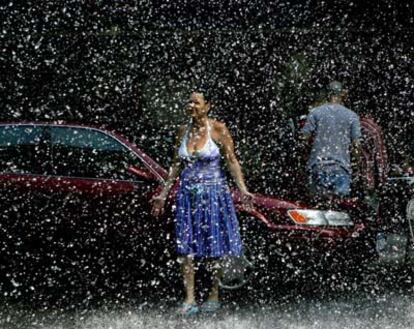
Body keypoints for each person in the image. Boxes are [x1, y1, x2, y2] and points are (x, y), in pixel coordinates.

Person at [151, 90, 253, 316]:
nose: (191, 105)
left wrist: (243, 189)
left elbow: (232, 161)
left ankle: (214, 294)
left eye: (196, 102)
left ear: (208, 106)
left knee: (214, 246)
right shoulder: (182, 131)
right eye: (189, 101)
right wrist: (164, 193)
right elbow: (175, 165)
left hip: (214, 195)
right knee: (186, 247)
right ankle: (189, 298)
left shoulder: (218, 129)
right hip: (187, 197)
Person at [301, 81, 362, 199]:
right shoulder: (352, 116)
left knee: (316, 208)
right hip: (341, 168)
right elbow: (356, 145)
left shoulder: (315, 113)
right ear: (342, 94)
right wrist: (356, 163)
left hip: (317, 166)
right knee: (339, 208)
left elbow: (304, 138)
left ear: (327, 94)